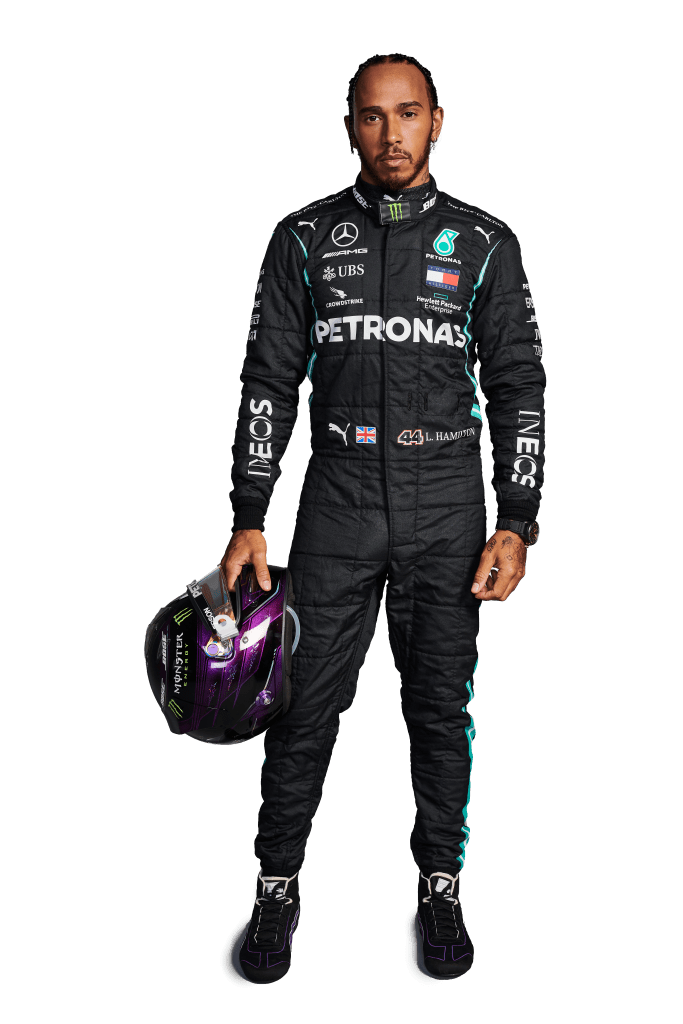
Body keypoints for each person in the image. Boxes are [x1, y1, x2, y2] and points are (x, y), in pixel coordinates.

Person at [220, 52, 546, 985]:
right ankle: (275, 888)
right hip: (337, 501)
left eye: (407, 114)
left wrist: (517, 517)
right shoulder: (300, 237)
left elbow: (519, 384)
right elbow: (267, 381)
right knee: (299, 709)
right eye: (372, 116)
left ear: (436, 122)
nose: (390, 134)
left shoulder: (485, 242)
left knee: (439, 711)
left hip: (448, 505)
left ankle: (439, 888)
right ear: (349, 126)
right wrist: (249, 513)